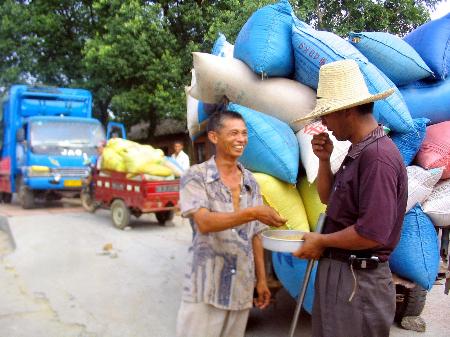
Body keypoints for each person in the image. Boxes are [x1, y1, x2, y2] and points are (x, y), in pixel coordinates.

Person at [292, 59, 407, 337]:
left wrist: (321, 240)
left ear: (348, 111)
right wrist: (323, 160)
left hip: (359, 280)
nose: (324, 123)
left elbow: (372, 233)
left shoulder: (377, 157)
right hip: (343, 274)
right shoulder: (357, 152)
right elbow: (327, 199)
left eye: (327, 114)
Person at [176, 110, 286, 337]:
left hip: (241, 286)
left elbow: (255, 234)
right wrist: (253, 212)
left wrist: (262, 280)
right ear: (215, 137)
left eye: (244, 133)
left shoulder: (250, 181)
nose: (241, 139)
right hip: (206, 285)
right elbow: (204, 222)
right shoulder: (195, 176)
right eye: (234, 133)